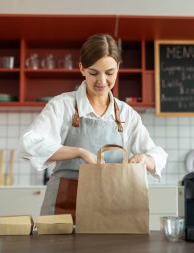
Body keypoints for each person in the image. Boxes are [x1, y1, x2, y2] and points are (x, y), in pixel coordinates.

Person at [19, 34, 167, 218]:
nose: (102, 81)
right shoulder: (62, 106)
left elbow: (158, 155)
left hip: (112, 205)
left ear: (118, 68)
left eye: (110, 73)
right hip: (64, 206)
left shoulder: (126, 114)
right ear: (81, 68)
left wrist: (146, 159)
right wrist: (79, 152)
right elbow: (29, 143)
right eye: (94, 72)